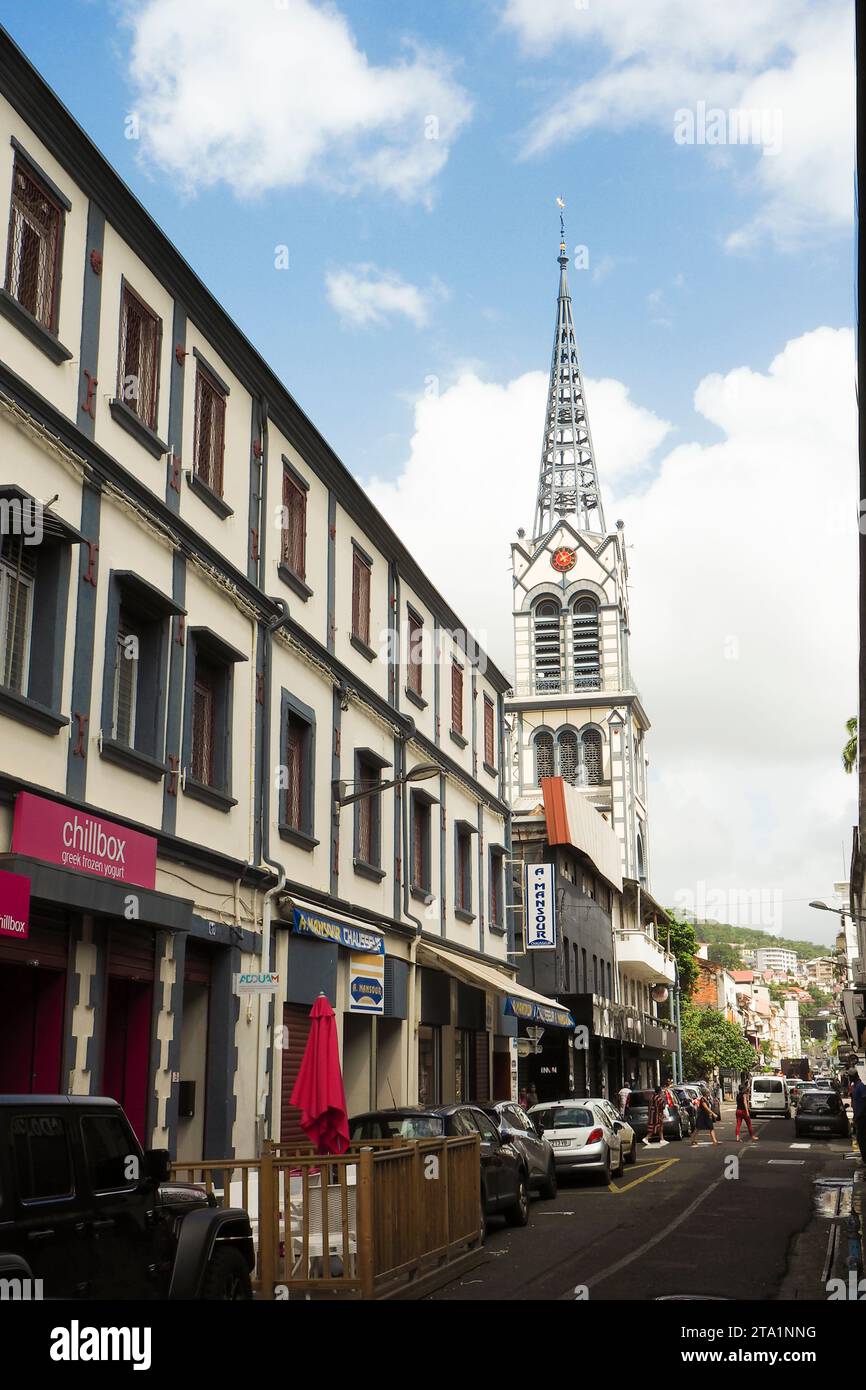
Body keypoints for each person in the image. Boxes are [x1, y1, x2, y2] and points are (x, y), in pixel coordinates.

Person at [851, 1071, 866, 1165]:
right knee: (860, 1139)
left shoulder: (860, 1086)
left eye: (849, 1076)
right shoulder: (855, 1086)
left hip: (863, 1117)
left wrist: (861, 1114)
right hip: (858, 1117)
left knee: (862, 1138)